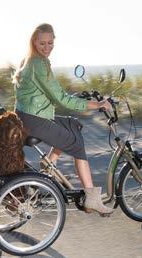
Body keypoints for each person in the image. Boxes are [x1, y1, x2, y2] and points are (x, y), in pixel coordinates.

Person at [13, 23, 113, 216]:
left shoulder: (28, 60)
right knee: (77, 145)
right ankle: (91, 199)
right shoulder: (39, 64)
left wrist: (75, 98)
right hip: (35, 120)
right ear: (34, 42)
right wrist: (97, 105)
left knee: (73, 124)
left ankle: (49, 162)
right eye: (42, 43)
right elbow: (60, 99)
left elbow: (47, 93)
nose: (47, 47)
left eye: (50, 43)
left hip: (28, 116)